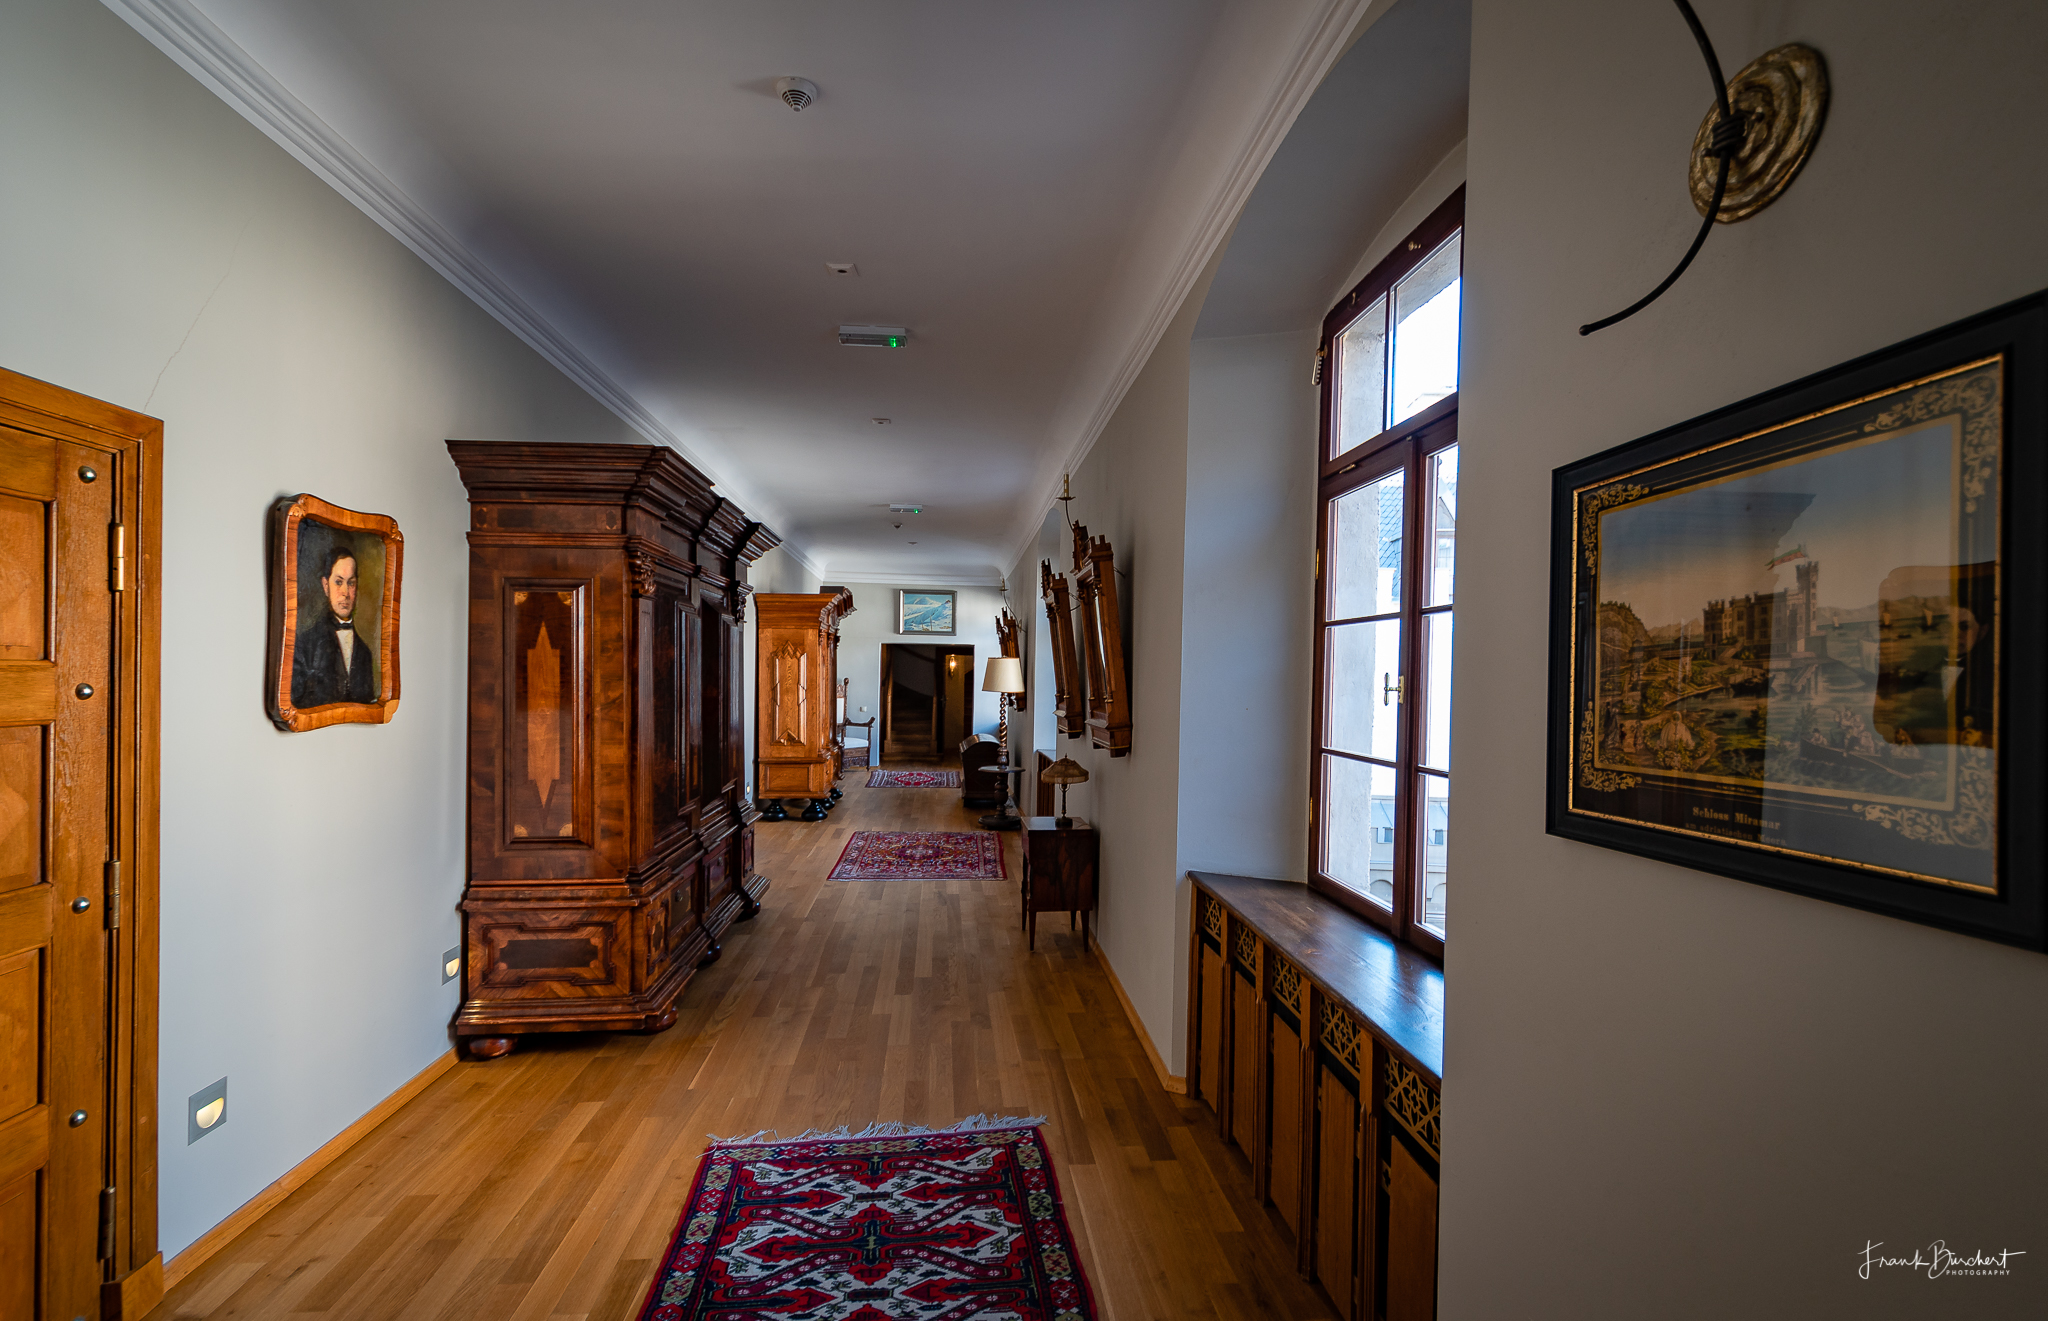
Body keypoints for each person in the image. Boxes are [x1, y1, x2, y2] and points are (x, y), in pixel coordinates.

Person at [291, 542, 378, 706]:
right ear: (326, 586)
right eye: (338, 582)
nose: (345, 593)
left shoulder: (365, 653)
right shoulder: (305, 644)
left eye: (351, 583)